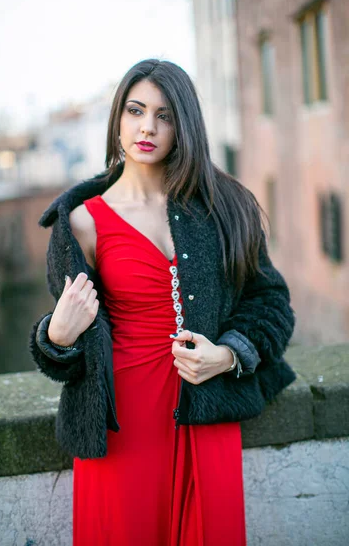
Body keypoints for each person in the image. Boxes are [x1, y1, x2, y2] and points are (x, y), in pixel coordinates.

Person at [29, 58, 296, 546]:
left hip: (206, 412)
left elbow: (271, 301)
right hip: (123, 428)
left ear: (184, 127)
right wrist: (55, 338)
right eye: (135, 110)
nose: (147, 127)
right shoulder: (82, 224)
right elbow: (67, 349)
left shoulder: (225, 206)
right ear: (118, 120)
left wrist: (229, 353)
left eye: (165, 115)